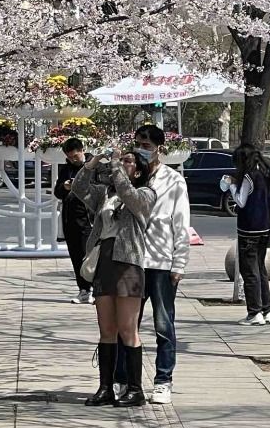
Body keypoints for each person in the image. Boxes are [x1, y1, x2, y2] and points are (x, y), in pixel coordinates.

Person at [72, 129, 190, 407]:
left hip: (149, 261)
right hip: (108, 264)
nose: (129, 157)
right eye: (134, 148)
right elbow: (79, 190)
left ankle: (158, 382)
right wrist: (93, 161)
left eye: (135, 154)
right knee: (109, 328)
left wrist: (179, 262)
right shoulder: (108, 193)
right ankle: (111, 384)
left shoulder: (153, 189)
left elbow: (179, 223)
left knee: (157, 324)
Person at [221, 143, 270, 326]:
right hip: (265, 227)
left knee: (249, 271)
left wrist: (230, 186)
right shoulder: (267, 173)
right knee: (260, 269)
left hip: (249, 229)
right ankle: (267, 310)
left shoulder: (248, 176)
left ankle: (254, 313)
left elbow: (241, 201)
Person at [53, 137, 94, 304]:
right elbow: (57, 192)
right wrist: (64, 187)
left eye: (75, 156)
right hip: (71, 219)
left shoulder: (93, 166)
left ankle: (94, 289)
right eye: (69, 157)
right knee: (76, 255)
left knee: (89, 256)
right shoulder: (66, 169)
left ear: (82, 150)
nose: (73, 160)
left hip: (88, 219)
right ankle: (83, 289)